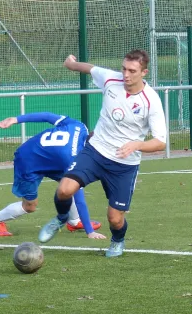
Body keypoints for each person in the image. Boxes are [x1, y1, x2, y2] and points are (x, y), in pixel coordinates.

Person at [39, 50, 167, 257]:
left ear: (144, 72)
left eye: (132, 71)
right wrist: (71, 64)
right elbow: (89, 69)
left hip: (124, 164)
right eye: (124, 68)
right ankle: (61, 218)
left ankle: (117, 240)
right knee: (64, 190)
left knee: (115, 219)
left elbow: (160, 142)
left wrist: (136, 145)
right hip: (96, 151)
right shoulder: (110, 79)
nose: (126, 74)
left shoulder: (151, 101)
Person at [0, 112, 106, 240]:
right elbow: (79, 199)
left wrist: (16, 119)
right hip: (28, 161)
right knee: (30, 206)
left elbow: (47, 116)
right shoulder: (73, 158)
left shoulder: (79, 126)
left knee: (69, 186)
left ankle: (74, 221)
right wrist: (90, 232)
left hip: (51, 158)